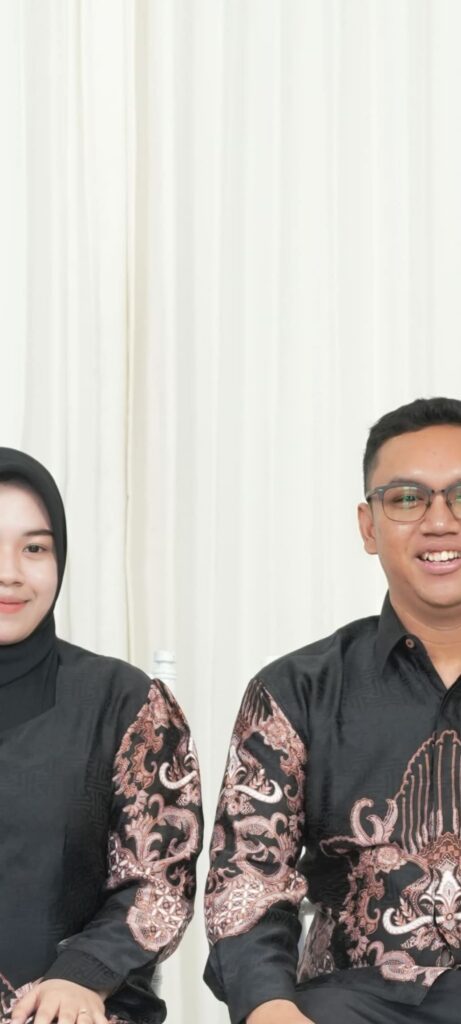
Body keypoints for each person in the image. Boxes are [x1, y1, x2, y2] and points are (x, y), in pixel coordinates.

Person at [204, 396, 461, 1024]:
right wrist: (269, 1009)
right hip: (352, 1002)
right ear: (368, 526)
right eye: (407, 498)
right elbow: (247, 881)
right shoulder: (297, 690)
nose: (440, 521)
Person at [0, 448, 202, 1024]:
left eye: (34, 548)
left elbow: (161, 876)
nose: (10, 572)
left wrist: (83, 974)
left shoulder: (123, 702)